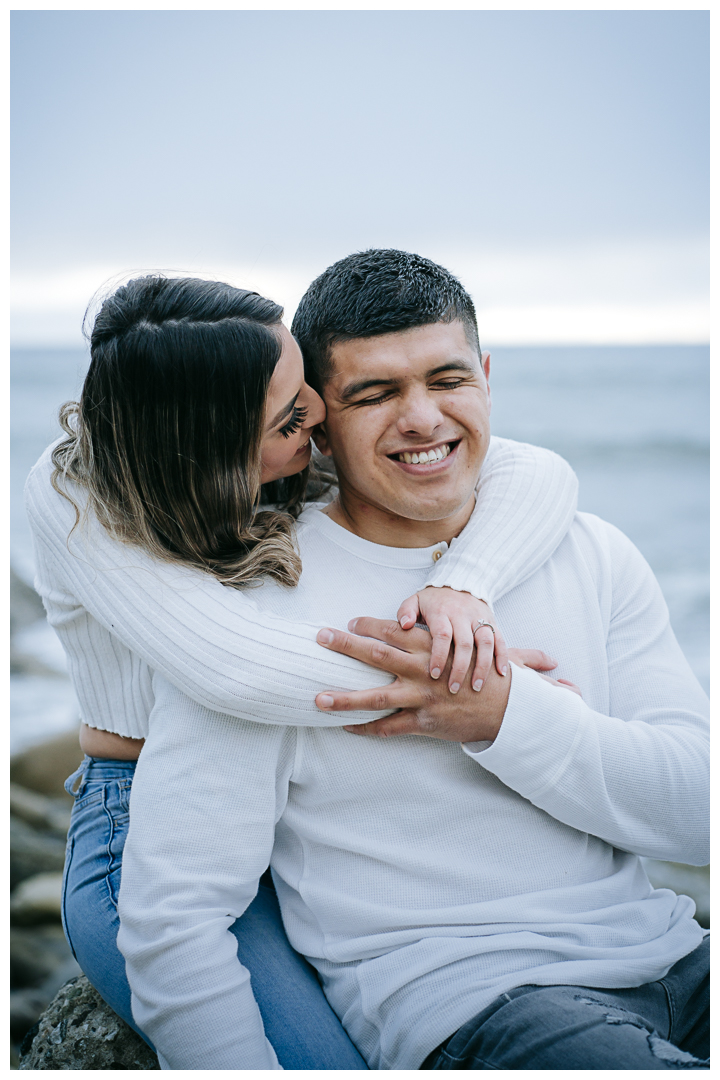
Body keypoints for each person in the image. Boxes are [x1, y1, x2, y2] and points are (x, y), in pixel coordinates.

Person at [116, 250, 709, 1071]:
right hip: (476, 1001)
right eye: (375, 394)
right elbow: (171, 916)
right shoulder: (261, 612)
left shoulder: (589, 549)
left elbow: (700, 813)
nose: (424, 419)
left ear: (488, 376)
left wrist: (506, 717)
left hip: (677, 957)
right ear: (318, 417)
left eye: (448, 379)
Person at [25, 271, 579, 1067]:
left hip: (291, 815)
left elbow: (534, 472)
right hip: (145, 823)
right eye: (291, 417)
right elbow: (230, 668)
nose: (320, 416)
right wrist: (460, 687)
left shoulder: (278, 467)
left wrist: (463, 583)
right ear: (214, 454)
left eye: (305, 384)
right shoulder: (76, 491)